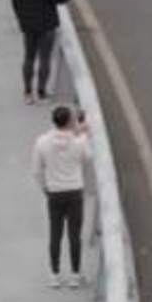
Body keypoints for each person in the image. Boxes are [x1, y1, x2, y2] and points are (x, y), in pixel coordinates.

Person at [32, 103, 92, 287]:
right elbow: (87, 158)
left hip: (54, 193)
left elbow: (36, 171)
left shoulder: (42, 141)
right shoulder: (78, 141)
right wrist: (83, 134)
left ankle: (54, 275)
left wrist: (46, 188)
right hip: (74, 192)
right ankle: (75, 275)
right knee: (75, 235)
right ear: (69, 122)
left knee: (55, 234)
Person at [11, 0, 76, 103]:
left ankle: (28, 93)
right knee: (44, 58)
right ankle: (41, 92)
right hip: (47, 25)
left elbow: (15, 3)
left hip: (28, 26)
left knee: (29, 57)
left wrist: (22, 21)